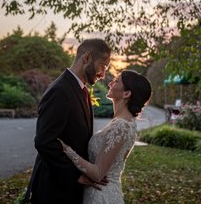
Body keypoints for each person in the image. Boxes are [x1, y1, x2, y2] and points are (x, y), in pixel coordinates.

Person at [25, 39, 112, 204]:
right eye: (102, 66)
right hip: (53, 190)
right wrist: (77, 176)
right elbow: (45, 142)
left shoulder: (81, 89)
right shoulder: (60, 91)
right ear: (86, 58)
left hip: (68, 191)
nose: (103, 74)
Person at [58, 70, 152, 204]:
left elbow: (97, 174)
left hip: (101, 196)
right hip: (101, 191)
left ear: (127, 93)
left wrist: (66, 149)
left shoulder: (121, 126)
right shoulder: (126, 122)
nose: (110, 83)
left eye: (116, 81)